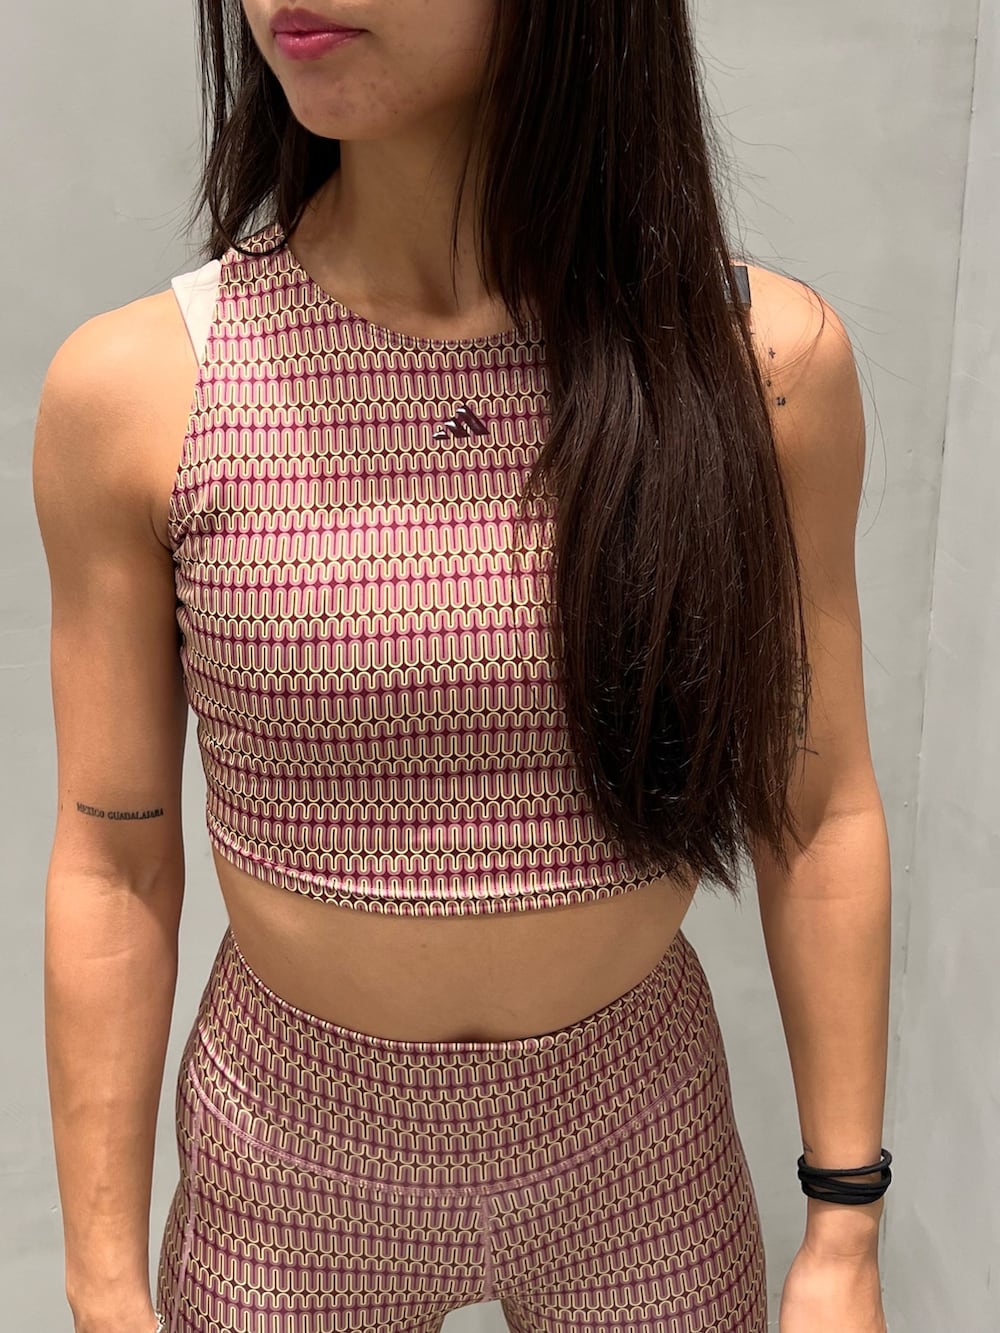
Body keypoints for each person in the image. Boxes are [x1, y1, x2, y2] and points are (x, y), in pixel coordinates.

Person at [34, 2, 892, 1331]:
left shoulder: (753, 367)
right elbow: (114, 861)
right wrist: (102, 1286)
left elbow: (819, 807)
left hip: (637, 1149)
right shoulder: (144, 390)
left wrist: (843, 1226)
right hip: (289, 1165)